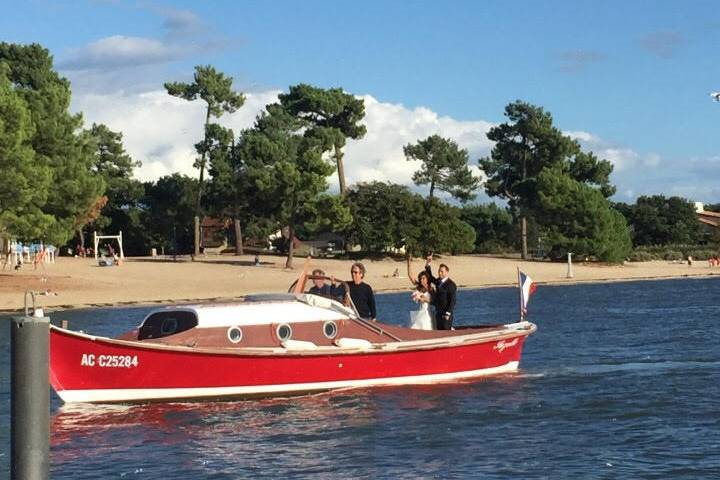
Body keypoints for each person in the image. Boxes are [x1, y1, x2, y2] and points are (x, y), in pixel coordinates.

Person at [425, 254, 457, 330]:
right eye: (439, 271)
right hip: (438, 313)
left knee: (446, 332)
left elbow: (453, 300)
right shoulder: (438, 282)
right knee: (439, 331)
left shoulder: (451, 284)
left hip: (446, 314)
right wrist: (428, 263)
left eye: (442, 272)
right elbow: (430, 277)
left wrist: (448, 313)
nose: (440, 273)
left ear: (447, 272)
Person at [407, 256, 435, 330]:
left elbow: (434, 301)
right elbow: (410, 276)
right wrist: (409, 263)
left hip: (429, 312)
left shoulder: (431, 288)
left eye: (423, 278)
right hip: (421, 312)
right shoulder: (419, 287)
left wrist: (425, 300)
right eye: (420, 279)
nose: (422, 280)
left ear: (427, 279)